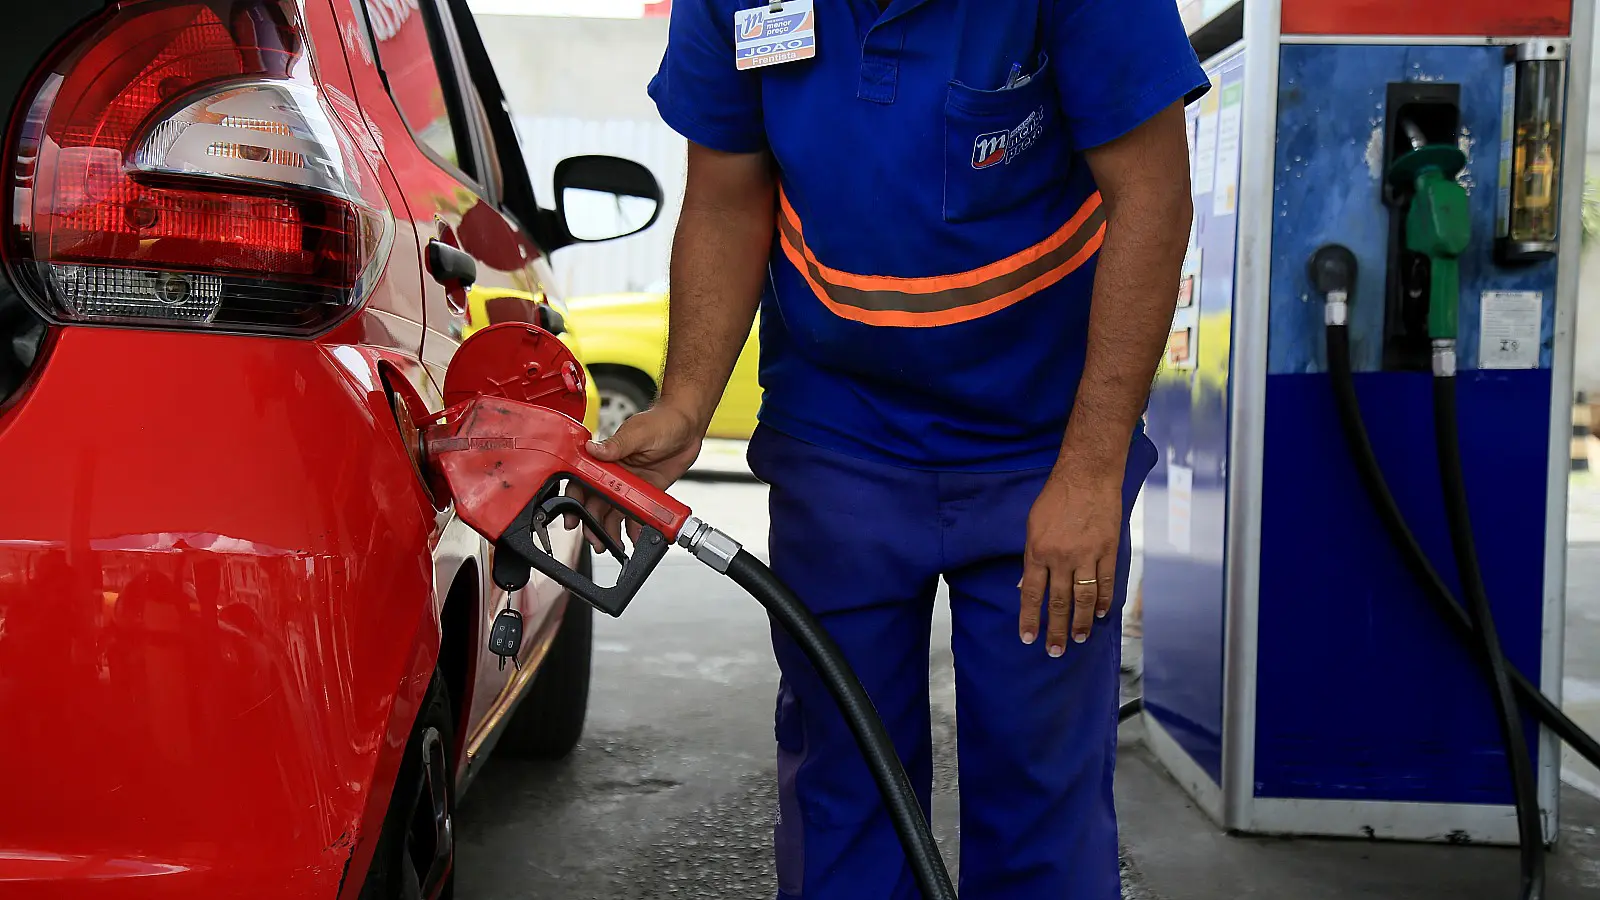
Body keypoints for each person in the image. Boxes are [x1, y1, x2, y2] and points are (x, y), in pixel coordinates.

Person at [580, 1, 1206, 896]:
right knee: (846, 774)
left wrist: (1092, 470)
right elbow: (725, 197)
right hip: (841, 436)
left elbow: (1151, 193)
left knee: (1039, 789)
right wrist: (684, 404)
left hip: (1041, 444)